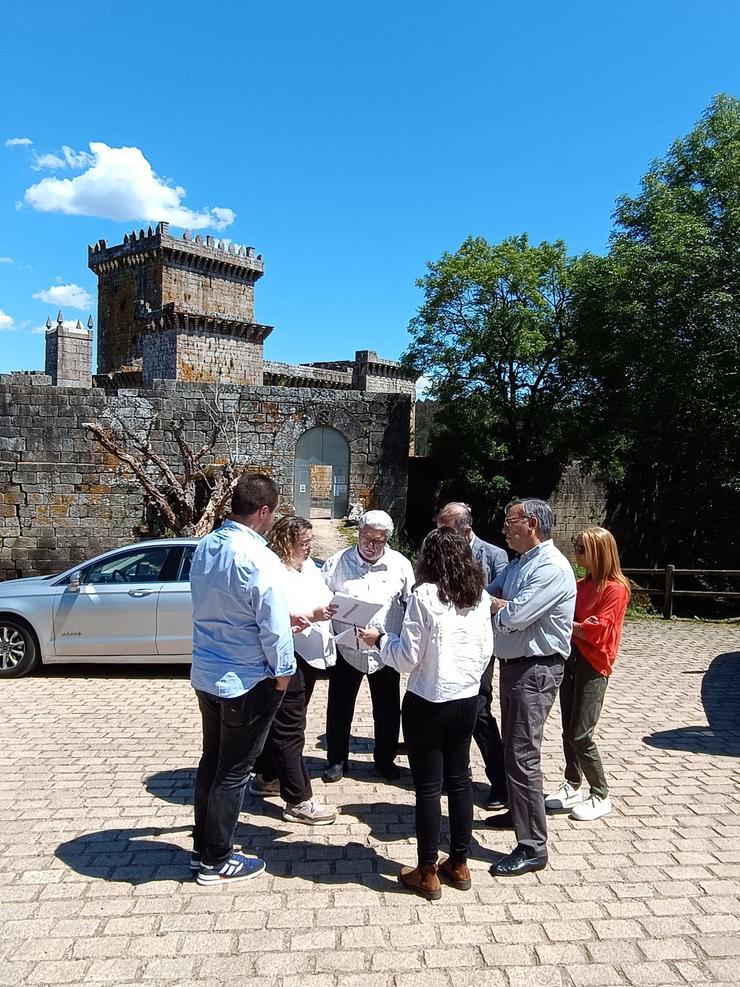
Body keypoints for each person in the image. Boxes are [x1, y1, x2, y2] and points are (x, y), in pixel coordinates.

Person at [358, 528, 493, 899]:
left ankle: (428, 869)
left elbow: (407, 658)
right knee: (461, 781)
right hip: (466, 698)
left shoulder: (425, 595)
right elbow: (486, 651)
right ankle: (461, 862)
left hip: (428, 700)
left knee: (429, 789)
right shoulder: (479, 597)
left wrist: (380, 640)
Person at [189, 473, 295, 886]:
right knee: (233, 772)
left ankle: (203, 850)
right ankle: (217, 860)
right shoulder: (258, 557)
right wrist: (283, 672)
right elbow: (273, 625)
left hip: (207, 672)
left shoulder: (206, 547)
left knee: (211, 763)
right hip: (245, 680)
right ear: (264, 511)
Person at [485, 498, 576, 877]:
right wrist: (495, 604)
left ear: (533, 523)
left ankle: (533, 846)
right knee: (514, 751)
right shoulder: (521, 563)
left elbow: (514, 617)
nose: (504, 528)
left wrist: (495, 606)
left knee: (523, 754)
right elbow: (490, 594)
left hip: (536, 669)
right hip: (515, 666)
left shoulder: (552, 568)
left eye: (510, 521)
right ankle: (520, 815)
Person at [251, 516, 338, 825]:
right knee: (290, 727)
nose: (309, 547)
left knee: (282, 720)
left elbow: (322, 594)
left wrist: (334, 607)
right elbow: (271, 615)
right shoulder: (273, 570)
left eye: (310, 542)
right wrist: (309, 614)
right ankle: (298, 800)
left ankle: (267, 776)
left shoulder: (308, 565)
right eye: (304, 543)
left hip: (311, 655)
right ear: (286, 542)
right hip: (287, 656)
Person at [321, 510, 415, 783]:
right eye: (366, 537)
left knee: (386, 710)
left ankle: (384, 761)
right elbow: (322, 600)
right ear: (358, 532)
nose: (371, 545)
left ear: (388, 538)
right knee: (339, 707)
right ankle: (336, 760)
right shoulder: (337, 563)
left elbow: (411, 604)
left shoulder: (400, 564)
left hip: (384, 651)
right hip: (346, 649)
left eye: (379, 540)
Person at [545, 526, 630, 822]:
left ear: (599, 552)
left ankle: (600, 793)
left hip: (595, 664)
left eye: (581, 549)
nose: (576, 554)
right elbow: (576, 621)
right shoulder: (581, 585)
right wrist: (577, 625)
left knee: (582, 734)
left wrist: (574, 625)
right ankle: (572, 784)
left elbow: (597, 629)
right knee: (568, 728)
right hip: (572, 659)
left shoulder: (616, 589)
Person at [436, 502, 508, 810]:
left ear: (466, 532)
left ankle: (501, 782)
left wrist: (476, 598)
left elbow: (507, 602)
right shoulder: (438, 551)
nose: (440, 536)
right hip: (445, 643)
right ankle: (454, 774)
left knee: (478, 708)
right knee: (446, 706)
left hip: (479, 644)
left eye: (447, 530)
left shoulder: (495, 556)